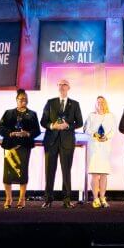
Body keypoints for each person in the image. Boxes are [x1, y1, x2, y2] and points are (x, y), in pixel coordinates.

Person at [40, 79, 83, 208]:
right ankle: (48, 200)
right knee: (49, 171)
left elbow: (80, 122)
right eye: (60, 84)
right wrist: (52, 126)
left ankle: (67, 200)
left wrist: (68, 125)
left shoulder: (75, 104)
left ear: (68, 87)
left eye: (65, 84)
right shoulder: (50, 102)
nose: (62, 86)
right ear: (57, 87)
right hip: (51, 141)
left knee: (66, 171)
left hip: (67, 142)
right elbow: (43, 121)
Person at [0, 89, 41, 209]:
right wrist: (10, 133)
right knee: (7, 174)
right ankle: (8, 198)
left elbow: (37, 130)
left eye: (25, 99)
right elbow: (0, 127)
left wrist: (27, 133)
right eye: (21, 99)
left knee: (23, 173)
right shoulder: (8, 113)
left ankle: (22, 199)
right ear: (16, 100)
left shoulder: (32, 114)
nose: (23, 101)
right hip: (10, 146)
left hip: (24, 147)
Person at [83, 96, 117, 208]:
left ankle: (102, 197)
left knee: (103, 174)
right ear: (95, 104)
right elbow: (85, 129)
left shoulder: (110, 116)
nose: (100, 104)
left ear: (105, 103)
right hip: (94, 147)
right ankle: (95, 198)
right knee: (94, 173)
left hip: (105, 148)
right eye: (98, 102)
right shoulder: (91, 116)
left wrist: (107, 137)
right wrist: (94, 134)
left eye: (102, 102)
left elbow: (113, 130)